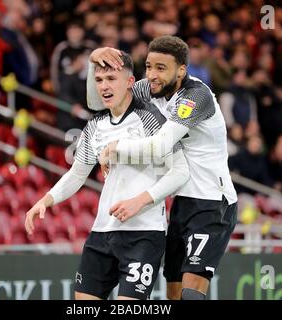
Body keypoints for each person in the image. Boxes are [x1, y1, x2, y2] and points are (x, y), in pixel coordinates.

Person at [25, 52, 189, 300]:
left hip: (143, 235)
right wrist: (46, 200)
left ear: (130, 82)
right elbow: (77, 174)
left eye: (111, 78)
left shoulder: (150, 119)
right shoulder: (95, 124)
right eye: (99, 80)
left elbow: (180, 171)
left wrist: (140, 200)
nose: (104, 86)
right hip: (102, 233)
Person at [88, 35, 238, 300]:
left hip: (213, 203)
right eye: (148, 66)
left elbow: (160, 146)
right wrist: (94, 62)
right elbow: (98, 101)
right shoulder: (152, 87)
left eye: (160, 68)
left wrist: (116, 147)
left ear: (181, 70)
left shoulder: (195, 96)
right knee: (174, 293)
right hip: (183, 201)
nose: (152, 75)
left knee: (192, 292)